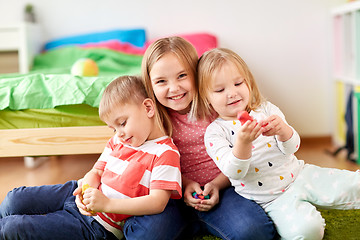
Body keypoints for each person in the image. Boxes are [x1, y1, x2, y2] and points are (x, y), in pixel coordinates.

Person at [197, 47, 360, 240]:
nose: (232, 93)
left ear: (248, 83)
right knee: (308, 231)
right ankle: (304, 212)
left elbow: (292, 148)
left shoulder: (266, 109)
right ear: (207, 99)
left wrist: (284, 131)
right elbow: (234, 172)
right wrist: (242, 143)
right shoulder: (215, 133)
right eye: (220, 89)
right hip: (272, 199)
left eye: (238, 83)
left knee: (353, 184)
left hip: (301, 174)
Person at [0, 75, 182, 240]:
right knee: (13, 199)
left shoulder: (165, 153)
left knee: (14, 228)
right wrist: (86, 188)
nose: (119, 133)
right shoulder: (118, 140)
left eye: (122, 123)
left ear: (148, 108)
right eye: (113, 128)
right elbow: (96, 171)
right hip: (76, 194)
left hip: (97, 226)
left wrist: (107, 204)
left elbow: (157, 203)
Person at [141, 36, 276, 239]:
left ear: (197, 75)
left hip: (225, 187)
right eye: (161, 81)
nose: (174, 88)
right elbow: (148, 164)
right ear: (150, 85)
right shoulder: (151, 119)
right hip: (171, 192)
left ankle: (203, 222)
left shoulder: (220, 106)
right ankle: (188, 223)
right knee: (146, 235)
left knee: (254, 231)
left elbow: (242, 155)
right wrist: (184, 184)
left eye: (182, 76)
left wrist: (217, 185)